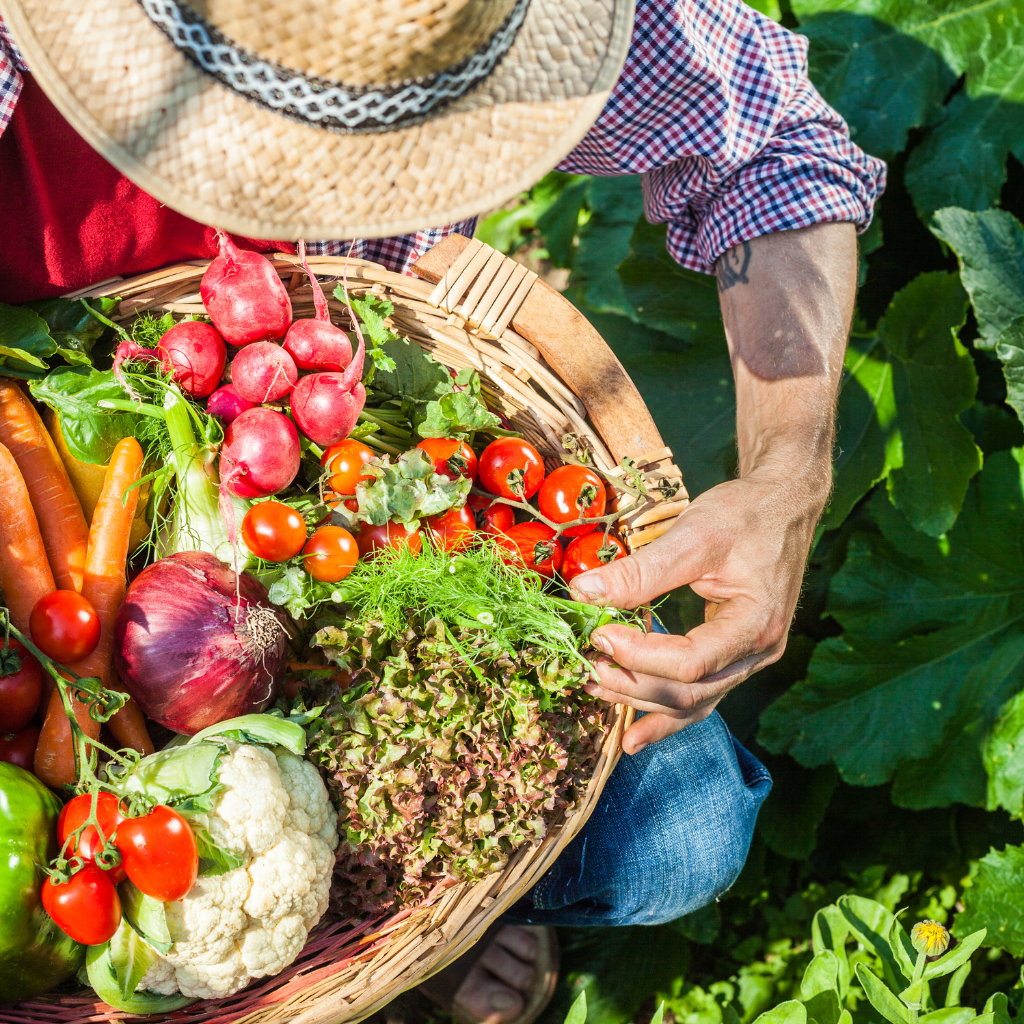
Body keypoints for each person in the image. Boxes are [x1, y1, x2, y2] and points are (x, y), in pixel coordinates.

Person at [0, 0, 883, 1020]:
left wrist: (785, 483)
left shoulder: (475, 12)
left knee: (683, 825)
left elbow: (769, 134)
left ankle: (441, 904)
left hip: (350, 504)